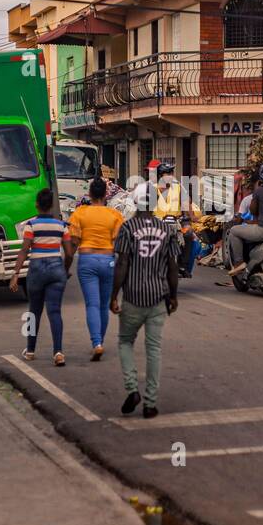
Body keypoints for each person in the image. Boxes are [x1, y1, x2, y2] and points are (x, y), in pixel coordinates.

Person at [111, 190, 180, 419]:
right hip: (158, 297)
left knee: (125, 342)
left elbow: (122, 263)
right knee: (154, 349)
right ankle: (150, 403)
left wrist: (114, 295)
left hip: (133, 297)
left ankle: (132, 389)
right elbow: (172, 266)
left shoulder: (127, 228)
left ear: (136, 203)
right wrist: (173, 295)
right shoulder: (167, 230)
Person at [9, 188, 73, 365]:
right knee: (54, 312)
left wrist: (15, 273)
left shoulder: (31, 225)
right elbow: (69, 253)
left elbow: (24, 250)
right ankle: (58, 352)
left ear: (37, 205)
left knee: (33, 312)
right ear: (52, 206)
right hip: (55, 269)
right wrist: (64, 270)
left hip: (36, 270)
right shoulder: (61, 226)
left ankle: (30, 350)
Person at [67, 177, 125, 361]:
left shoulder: (79, 213)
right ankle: (101, 341)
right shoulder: (115, 215)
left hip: (87, 260)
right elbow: (119, 243)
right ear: (105, 195)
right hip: (108, 260)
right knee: (103, 305)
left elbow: (73, 243)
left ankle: (96, 343)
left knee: (92, 304)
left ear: (90, 194)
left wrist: (65, 266)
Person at [153, 160, 201, 277]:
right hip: (156, 222)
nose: (170, 176)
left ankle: (183, 265)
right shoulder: (151, 189)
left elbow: (186, 202)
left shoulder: (178, 187)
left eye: (171, 173)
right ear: (160, 176)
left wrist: (192, 216)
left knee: (189, 233)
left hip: (178, 221)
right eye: (167, 173)